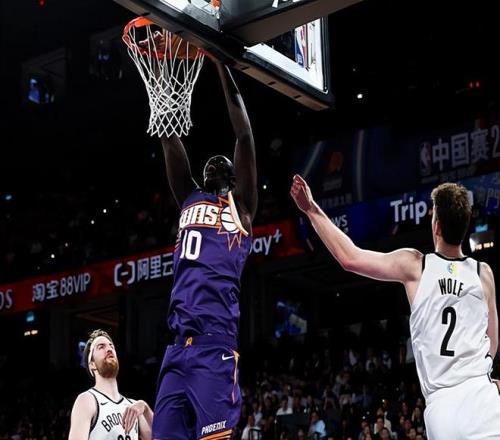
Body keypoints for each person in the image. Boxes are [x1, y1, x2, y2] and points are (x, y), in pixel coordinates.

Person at [290, 176, 499, 439]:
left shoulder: (416, 265)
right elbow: (491, 344)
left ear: (436, 225)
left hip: (444, 407)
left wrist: (311, 209)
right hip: (484, 400)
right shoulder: (484, 273)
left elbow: (350, 258)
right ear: (465, 226)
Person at [152, 60, 257, 439]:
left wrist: (220, 63)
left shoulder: (241, 207)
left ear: (234, 177)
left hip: (215, 347)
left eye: (223, 163)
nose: (215, 162)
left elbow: (244, 135)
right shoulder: (188, 196)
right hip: (177, 350)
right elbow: (168, 136)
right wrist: (160, 79)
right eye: (210, 163)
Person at [68, 329, 153, 440]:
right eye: (101, 347)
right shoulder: (87, 400)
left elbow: (163, 436)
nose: (109, 349)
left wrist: (146, 408)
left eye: (111, 346)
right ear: (92, 364)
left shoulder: (134, 407)